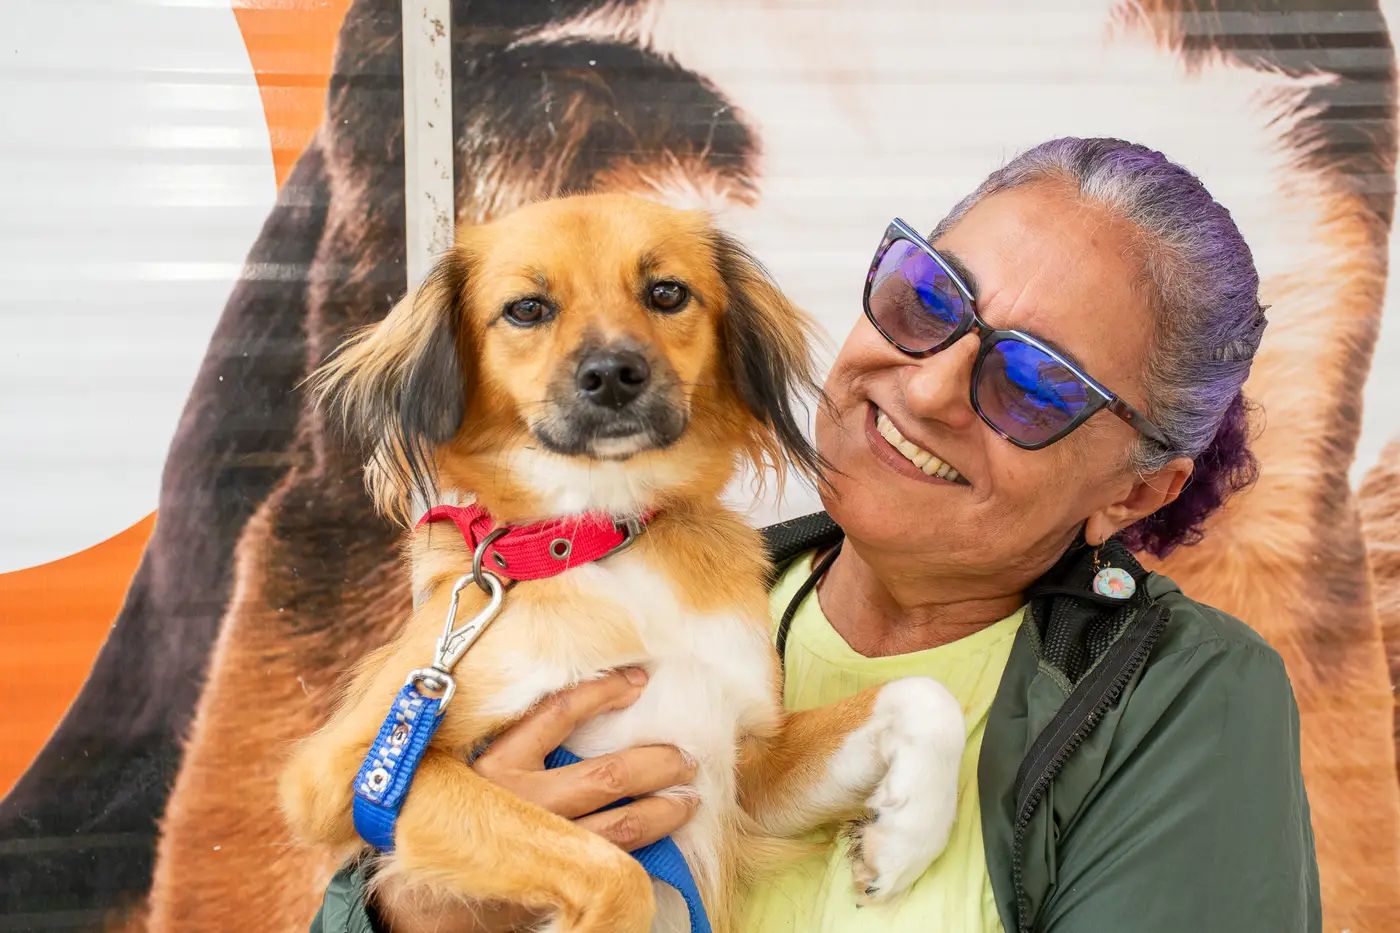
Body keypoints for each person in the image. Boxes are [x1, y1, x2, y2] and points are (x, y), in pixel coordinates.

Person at [309, 137, 1320, 933]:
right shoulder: (732, 588)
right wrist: (429, 905)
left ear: (1134, 493)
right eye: (927, 299)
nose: (929, 388)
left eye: (1034, 382)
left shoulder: (1182, 697)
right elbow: (347, 811)